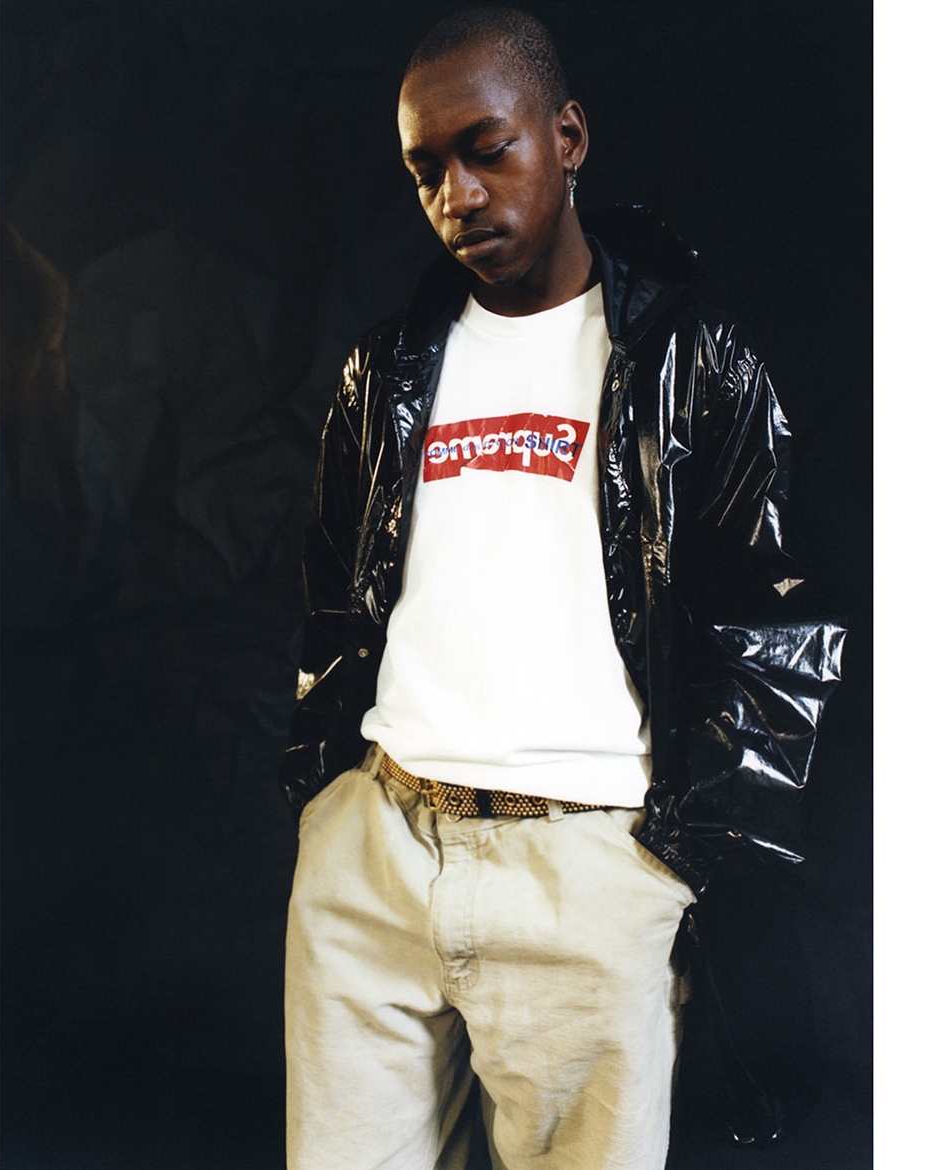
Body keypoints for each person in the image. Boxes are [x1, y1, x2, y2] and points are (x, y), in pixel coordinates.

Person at [281, 8, 844, 1168]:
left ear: (568, 137)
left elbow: (774, 626)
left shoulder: (696, 362)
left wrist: (680, 859)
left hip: (589, 869)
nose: (458, 194)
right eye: (425, 171)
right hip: (376, 858)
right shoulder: (385, 371)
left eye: (487, 150)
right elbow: (335, 596)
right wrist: (327, 800)